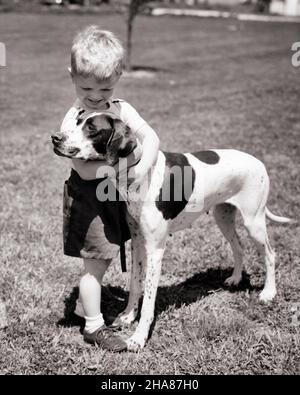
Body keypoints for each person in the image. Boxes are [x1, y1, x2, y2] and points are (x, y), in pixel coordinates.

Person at [59, 25, 160, 350]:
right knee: (95, 265)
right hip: (90, 203)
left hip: (114, 199)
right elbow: (86, 172)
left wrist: (144, 163)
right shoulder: (74, 119)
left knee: (102, 259)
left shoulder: (121, 108)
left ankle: (80, 307)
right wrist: (127, 163)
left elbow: (151, 137)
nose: (96, 96)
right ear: (72, 75)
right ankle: (93, 325)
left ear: (117, 77)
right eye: (86, 87)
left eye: (105, 89)